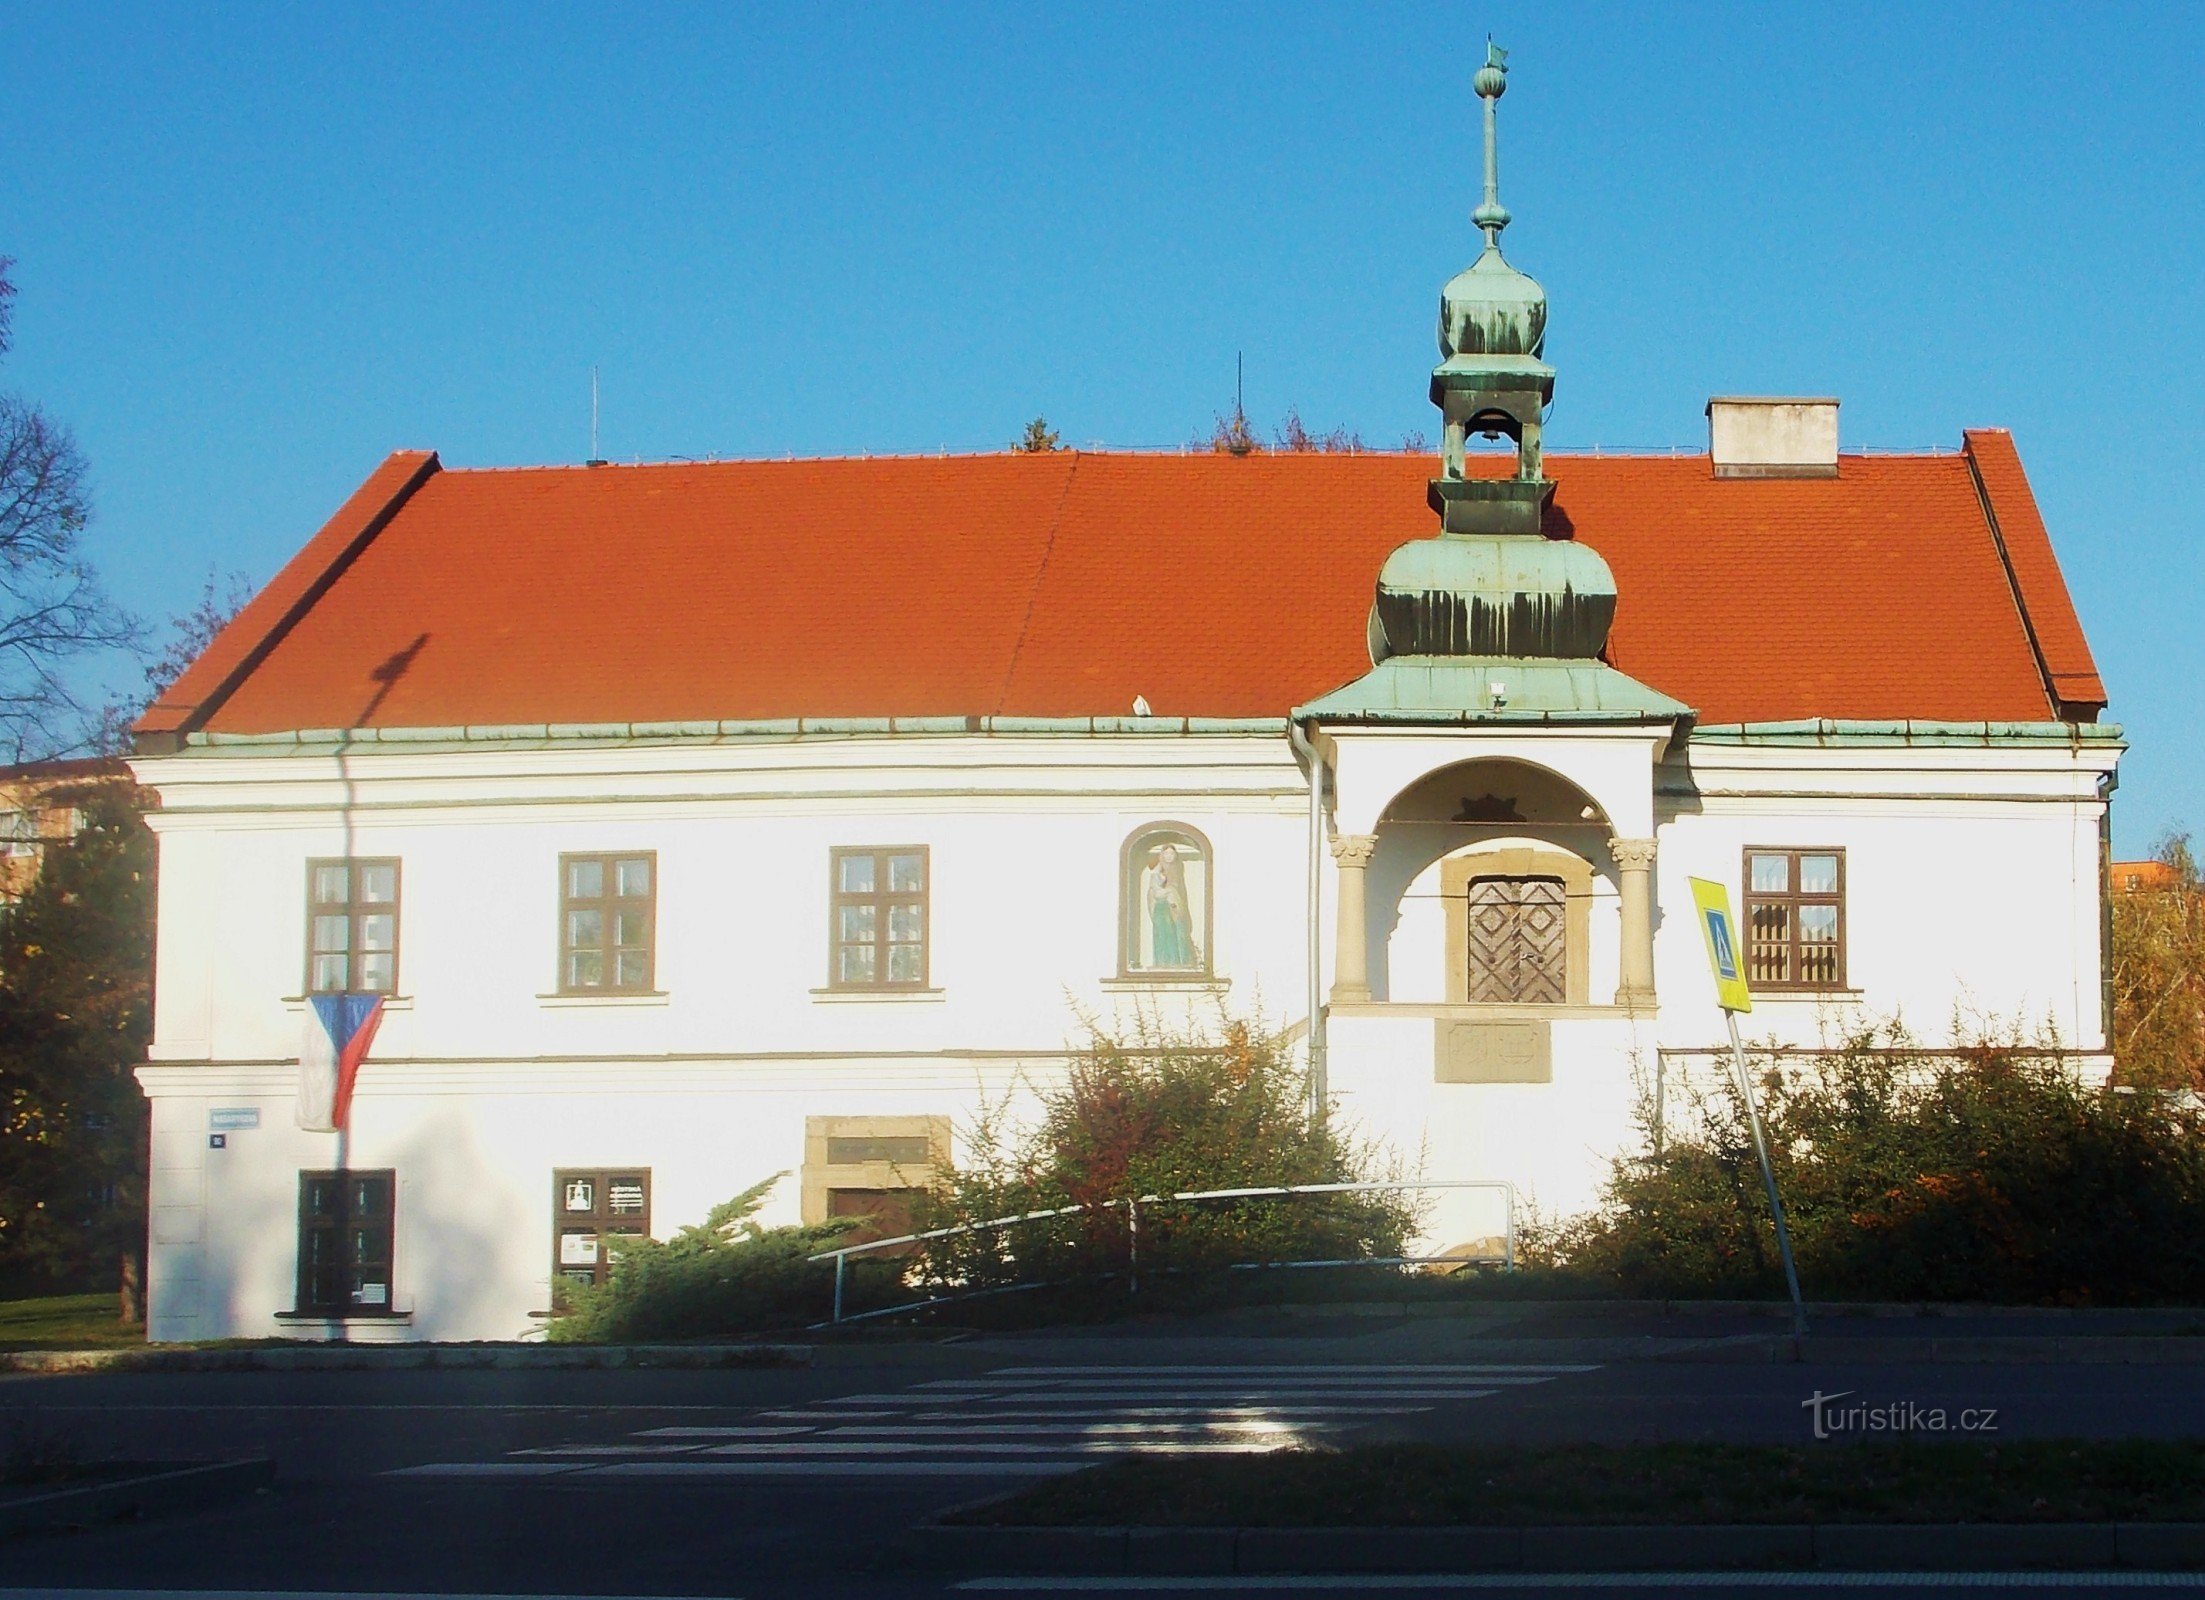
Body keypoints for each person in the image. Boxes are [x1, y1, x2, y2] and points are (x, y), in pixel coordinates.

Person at [1144, 843, 1199, 968]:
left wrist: (1176, 899)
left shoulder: (1177, 869)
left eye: (1172, 853)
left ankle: (1180, 961)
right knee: (1165, 934)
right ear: (1162, 855)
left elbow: (1181, 891)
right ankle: (1163, 962)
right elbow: (1154, 891)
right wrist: (1168, 891)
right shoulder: (1158, 870)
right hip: (1163, 908)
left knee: (1178, 933)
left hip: (1175, 906)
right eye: (1167, 853)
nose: (1169, 856)